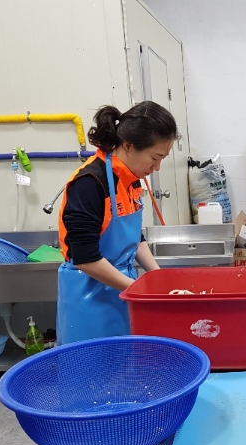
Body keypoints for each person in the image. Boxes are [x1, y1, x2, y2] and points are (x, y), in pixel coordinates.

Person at [56, 101, 177, 346]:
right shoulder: (90, 182)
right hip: (88, 295)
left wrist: (158, 278)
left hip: (123, 288)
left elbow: (134, 237)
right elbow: (85, 259)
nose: (157, 167)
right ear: (129, 146)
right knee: (93, 364)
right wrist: (139, 291)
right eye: (155, 157)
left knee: (125, 362)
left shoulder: (131, 179)